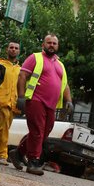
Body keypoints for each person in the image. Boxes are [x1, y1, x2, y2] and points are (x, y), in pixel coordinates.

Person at [10, 34, 73, 176]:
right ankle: (33, 161)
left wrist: (69, 101)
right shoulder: (35, 58)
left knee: (45, 132)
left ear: (58, 46)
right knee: (38, 130)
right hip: (35, 99)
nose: (51, 45)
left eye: (54, 43)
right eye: (49, 42)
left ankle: (19, 153)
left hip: (51, 105)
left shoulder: (60, 65)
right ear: (43, 45)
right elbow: (22, 76)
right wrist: (21, 97)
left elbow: (65, 85)